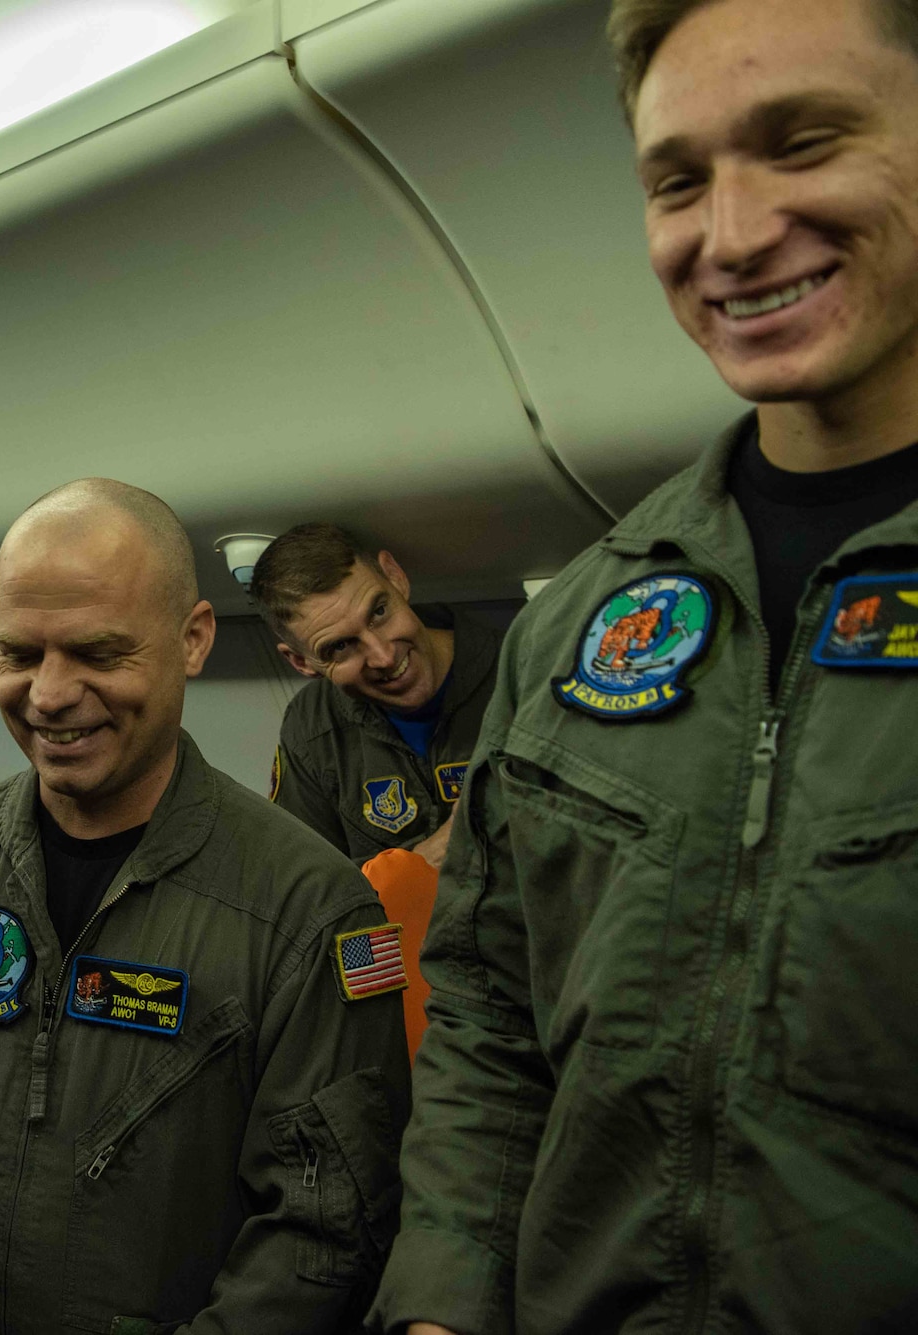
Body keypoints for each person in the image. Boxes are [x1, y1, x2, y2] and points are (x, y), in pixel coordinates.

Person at [375, 1, 918, 1331]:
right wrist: (443, 1299)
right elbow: (496, 1013)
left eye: (801, 142)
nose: (728, 235)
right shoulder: (584, 625)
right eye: (678, 180)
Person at [0, 479, 410, 1335]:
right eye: (19, 654)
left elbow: (319, 1230)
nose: (50, 694)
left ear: (193, 639)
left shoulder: (309, 911)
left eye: (97, 653)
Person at [252, 524, 499, 869]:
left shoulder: (522, 676)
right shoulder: (313, 727)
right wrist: (415, 866)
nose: (383, 657)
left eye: (379, 612)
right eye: (340, 646)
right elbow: (303, 887)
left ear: (395, 577)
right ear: (301, 662)